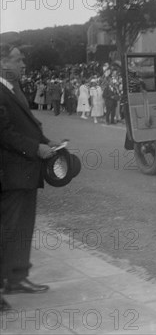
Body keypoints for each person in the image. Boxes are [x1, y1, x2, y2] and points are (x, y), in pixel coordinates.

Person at [0, 45, 61, 311]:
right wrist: (35, 148)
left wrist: (48, 142)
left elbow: (27, 124)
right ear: (2, 62)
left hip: (24, 171)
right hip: (11, 172)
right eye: (18, 60)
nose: (24, 64)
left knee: (23, 227)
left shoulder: (13, 88)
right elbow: (4, 133)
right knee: (8, 230)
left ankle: (17, 278)